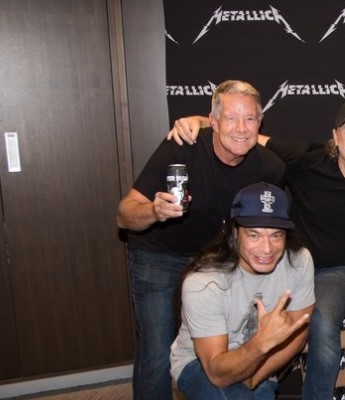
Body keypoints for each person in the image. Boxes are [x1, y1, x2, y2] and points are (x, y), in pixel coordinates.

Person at [167, 99, 345, 399]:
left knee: (320, 324)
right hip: (285, 264)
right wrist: (202, 121)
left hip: (337, 272)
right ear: (335, 136)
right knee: (245, 320)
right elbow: (250, 136)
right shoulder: (308, 159)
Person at [117, 80, 285, 400]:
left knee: (225, 343)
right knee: (157, 347)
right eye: (231, 118)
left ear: (260, 124)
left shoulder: (269, 167)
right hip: (159, 255)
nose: (241, 128)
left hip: (214, 261)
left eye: (249, 119)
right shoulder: (181, 148)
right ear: (213, 122)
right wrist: (154, 211)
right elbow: (124, 215)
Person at [170, 182, 314, 399]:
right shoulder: (204, 283)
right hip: (200, 364)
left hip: (262, 360)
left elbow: (298, 335)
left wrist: (257, 376)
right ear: (235, 232)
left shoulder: (299, 261)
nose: (266, 248)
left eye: (276, 235)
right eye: (254, 235)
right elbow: (216, 374)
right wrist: (261, 343)